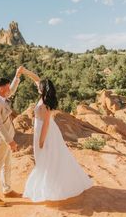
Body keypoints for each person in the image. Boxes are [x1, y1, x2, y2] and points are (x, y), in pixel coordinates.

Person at [21, 67, 93, 202]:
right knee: (49, 157)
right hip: (42, 129)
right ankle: (51, 183)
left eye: (39, 86)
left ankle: (51, 187)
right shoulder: (43, 97)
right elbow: (36, 79)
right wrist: (25, 71)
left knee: (48, 158)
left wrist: (41, 141)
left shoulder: (45, 104)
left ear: (42, 89)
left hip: (46, 132)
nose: (37, 86)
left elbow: (46, 124)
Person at [0, 66, 23, 207]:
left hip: (7, 138)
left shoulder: (1, 96)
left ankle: (7, 190)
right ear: (1, 88)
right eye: (7, 87)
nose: (9, 90)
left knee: (7, 166)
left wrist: (17, 76)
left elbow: (13, 89)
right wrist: (10, 141)